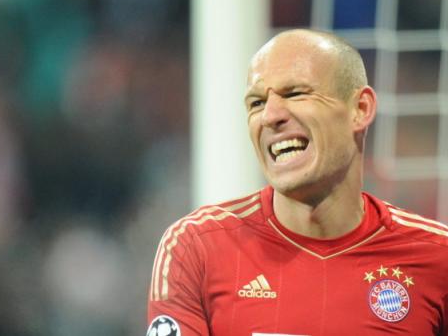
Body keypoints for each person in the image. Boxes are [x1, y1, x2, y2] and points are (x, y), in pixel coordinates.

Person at [146, 29, 448, 336]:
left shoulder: (437, 257)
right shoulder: (197, 247)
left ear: (360, 109)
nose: (270, 116)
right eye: (256, 103)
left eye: (295, 94)